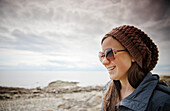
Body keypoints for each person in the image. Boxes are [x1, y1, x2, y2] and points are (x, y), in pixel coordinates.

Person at [99, 25, 170, 111]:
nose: (104, 62)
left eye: (110, 53)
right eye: (102, 55)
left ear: (133, 56)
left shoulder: (162, 102)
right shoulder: (108, 91)